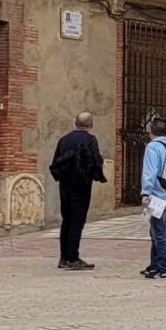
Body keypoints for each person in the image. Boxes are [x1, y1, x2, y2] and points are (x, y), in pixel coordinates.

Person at [48, 111, 106, 270]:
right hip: (81, 187)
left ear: (75, 123)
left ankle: (63, 257)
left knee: (66, 220)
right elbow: (96, 162)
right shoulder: (90, 140)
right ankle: (73, 258)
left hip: (65, 186)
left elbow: (56, 163)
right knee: (77, 222)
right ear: (90, 125)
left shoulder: (63, 140)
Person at [140, 118, 166, 279]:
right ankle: (154, 265)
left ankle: (164, 267)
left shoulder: (152, 147)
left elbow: (150, 172)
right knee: (156, 230)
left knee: (158, 233)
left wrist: (145, 193)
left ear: (150, 132)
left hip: (157, 196)